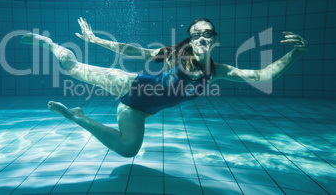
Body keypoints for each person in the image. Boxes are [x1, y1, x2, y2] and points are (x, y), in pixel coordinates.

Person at [21, 17, 309, 157]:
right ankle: (48, 43)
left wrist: (295, 53)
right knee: (71, 68)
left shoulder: (218, 71)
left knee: (128, 150)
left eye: (207, 33)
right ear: (191, 39)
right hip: (130, 84)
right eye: (196, 33)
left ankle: (77, 117)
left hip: (138, 111)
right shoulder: (176, 54)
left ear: (214, 38)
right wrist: (96, 40)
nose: (201, 37)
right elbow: (133, 51)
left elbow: (261, 75)